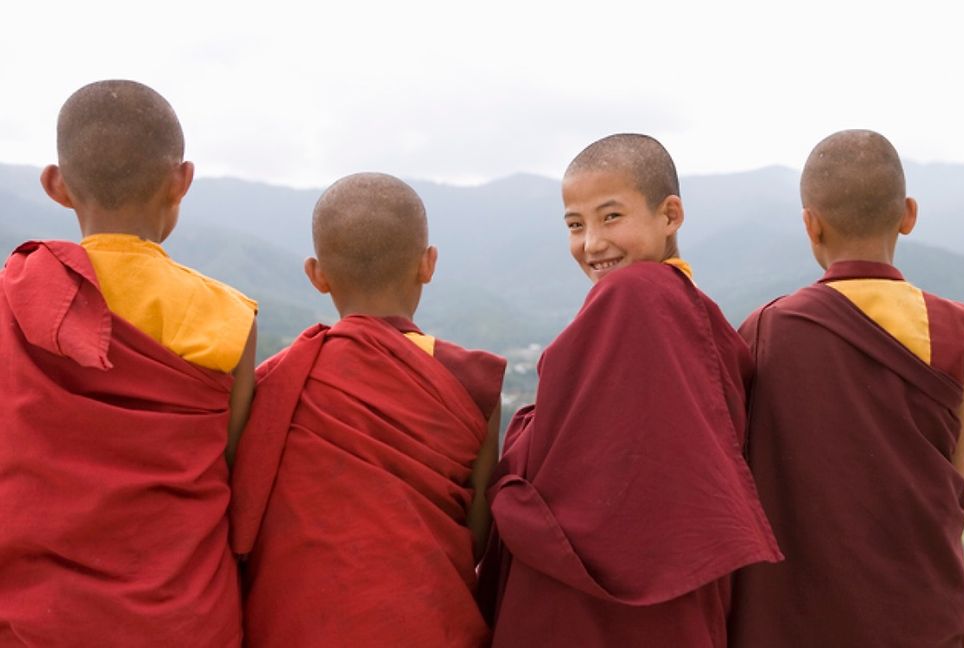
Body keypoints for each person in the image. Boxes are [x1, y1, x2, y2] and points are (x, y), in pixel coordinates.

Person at [482, 133, 782, 647]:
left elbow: (558, 452)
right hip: (685, 580)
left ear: (670, 216)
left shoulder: (631, 295)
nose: (592, 243)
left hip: (596, 600)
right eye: (575, 225)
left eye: (611, 217)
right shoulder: (698, 310)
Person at [0, 80, 256, 646]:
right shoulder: (229, 317)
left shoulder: (11, 301)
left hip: (35, 621)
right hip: (182, 620)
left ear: (55, 186)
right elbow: (235, 469)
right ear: (182, 181)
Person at [230, 172, 506, 647]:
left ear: (316, 275)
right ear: (428, 263)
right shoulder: (470, 381)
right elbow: (478, 529)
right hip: (427, 623)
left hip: (300, 627)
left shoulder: (278, 381)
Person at [728, 130, 964, 647]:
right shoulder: (960, 334)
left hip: (793, 624)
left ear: (810, 225)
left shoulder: (766, 330)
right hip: (921, 617)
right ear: (908, 215)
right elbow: (960, 482)